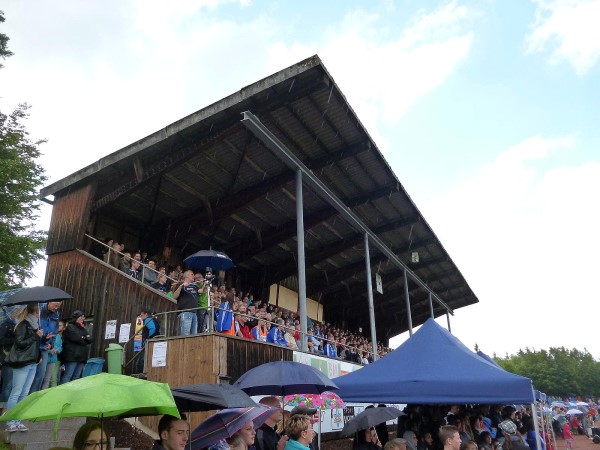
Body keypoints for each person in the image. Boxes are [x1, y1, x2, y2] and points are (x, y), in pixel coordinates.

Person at [4, 304, 43, 432]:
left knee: (24, 393)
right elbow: (20, 343)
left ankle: (18, 420)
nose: (38, 315)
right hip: (22, 362)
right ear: (33, 313)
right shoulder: (22, 325)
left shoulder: (35, 326)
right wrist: (35, 335)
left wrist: (39, 355)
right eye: (38, 313)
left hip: (32, 362)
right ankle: (10, 421)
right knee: (16, 392)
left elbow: (35, 345)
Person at [29, 300, 61, 393]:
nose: (56, 308)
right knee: (33, 373)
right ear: (49, 302)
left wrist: (50, 344)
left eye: (58, 306)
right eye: (55, 305)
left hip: (46, 347)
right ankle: (28, 395)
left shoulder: (56, 314)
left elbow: (54, 332)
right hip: (35, 346)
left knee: (41, 374)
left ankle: (35, 395)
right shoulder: (39, 309)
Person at [61, 310, 93, 384]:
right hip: (72, 356)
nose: (83, 318)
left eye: (83, 317)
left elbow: (90, 339)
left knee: (77, 377)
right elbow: (76, 338)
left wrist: (84, 338)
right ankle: (63, 392)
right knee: (68, 376)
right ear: (76, 317)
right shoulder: (70, 327)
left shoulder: (83, 329)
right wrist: (84, 338)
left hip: (81, 356)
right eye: (81, 317)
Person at [172, 270, 199, 336]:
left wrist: (205, 285)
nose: (193, 276)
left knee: (194, 334)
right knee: (185, 333)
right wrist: (181, 286)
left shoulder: (194, 286)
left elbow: (201, 291)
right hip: (185, 311)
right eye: (192, 274)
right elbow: (174, 296)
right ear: (187, 276)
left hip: (194, 312)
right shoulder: (180, 284)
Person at [42, 319, 64, 389]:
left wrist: (57, 350)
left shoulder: (58, 337)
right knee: (41, 377)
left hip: (53, 359)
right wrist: (50, 351)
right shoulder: (48, 333)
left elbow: (60, 347)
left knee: (48, 379)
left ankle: (43, 394)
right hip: (45, 358)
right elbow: (42, 345)